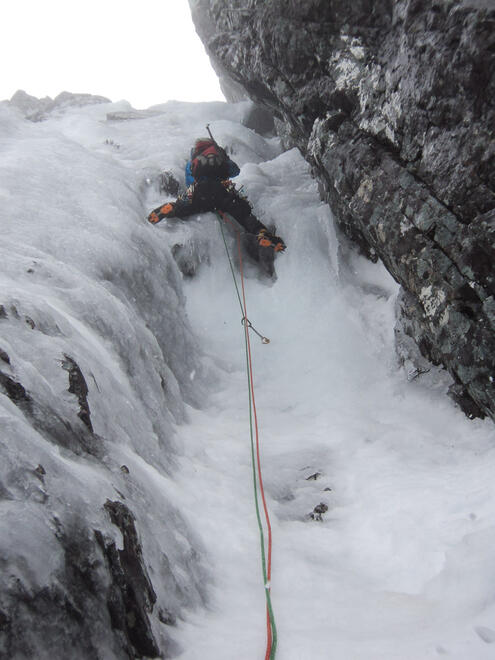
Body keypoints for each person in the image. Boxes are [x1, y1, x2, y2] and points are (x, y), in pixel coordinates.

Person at [147, 137, 286, 253]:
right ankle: (261, 233)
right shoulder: (219, 155)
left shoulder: (195, 159)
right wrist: (225, 157)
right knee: (243, 213)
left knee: (186, 206)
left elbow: (190, 181)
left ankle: (172, 208)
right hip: (221, 191)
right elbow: (235, 171)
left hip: (199, 190)